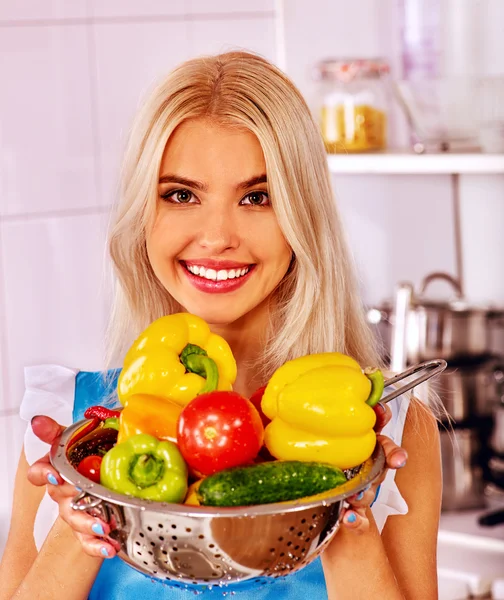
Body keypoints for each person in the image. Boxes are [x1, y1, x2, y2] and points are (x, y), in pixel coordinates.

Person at [0, 51, 442, 600]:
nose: (216, 235)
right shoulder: (68, 429)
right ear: (145, 217)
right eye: (181, 195)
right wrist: (88, 506)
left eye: (257, 197)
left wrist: (343, 505)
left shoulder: (392, 433)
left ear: (302, 219)